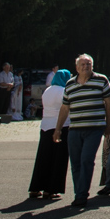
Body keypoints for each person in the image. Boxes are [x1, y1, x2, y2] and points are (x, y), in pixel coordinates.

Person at [54, 54, 110, 209]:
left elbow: (109, 103)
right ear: (77, 68)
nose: (86, 67)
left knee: (86, 159)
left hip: (94, 128)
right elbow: (65, 108)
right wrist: (58, 129)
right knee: (75, 162)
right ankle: (79, 192)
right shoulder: (70, 84)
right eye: (83, 64)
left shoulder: (101, 80)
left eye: (88, 64)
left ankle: (81, 195)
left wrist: (109, 124)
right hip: (75, 129)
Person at [29, 69, 71, 200]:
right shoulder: (63, 91)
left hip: (45, 126)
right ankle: (51, 189)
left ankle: (36, 187)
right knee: (58, 159)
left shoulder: (47, 90)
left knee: (43, 158)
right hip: (60, 126)